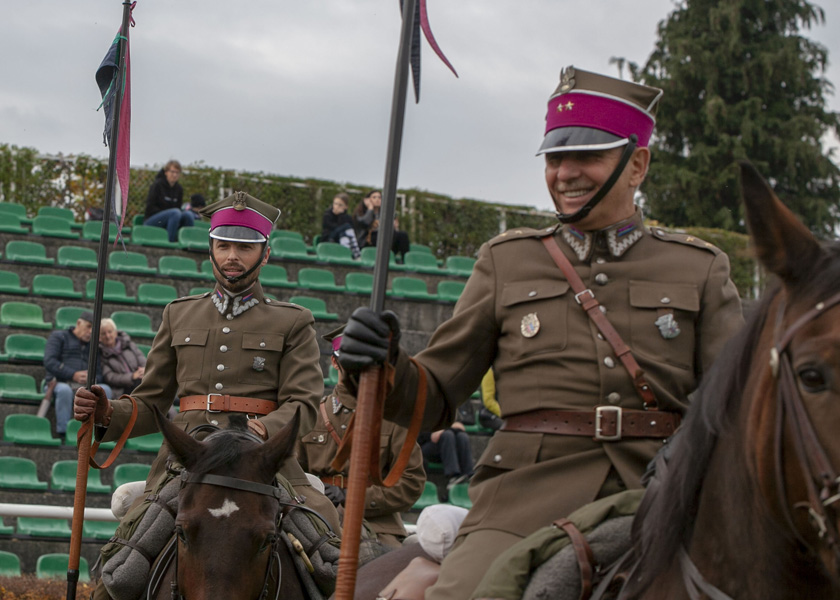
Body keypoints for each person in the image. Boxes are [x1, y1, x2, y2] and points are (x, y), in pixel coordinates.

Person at [337, 66, 745, 599]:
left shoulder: (699, 268)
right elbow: (435, 393)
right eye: (554, 158)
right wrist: (379, 363)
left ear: (636, 164)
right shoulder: (507, 260)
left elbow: (737, 407)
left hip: (659, 489)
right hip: (522, 498)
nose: (566, 173)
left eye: (588, 156)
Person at [75, 191, 342, 596]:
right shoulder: (178, 313)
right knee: (120, 571)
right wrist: (107, 412)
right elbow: (151, 401)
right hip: (188, 462)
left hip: (262, 464)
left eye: (245, 247)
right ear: (211, 250)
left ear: (265, 254)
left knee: (330, 562)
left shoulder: (293, 321)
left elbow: (303, 404)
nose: (233, 255)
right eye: (224, 246)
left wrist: (261, 432)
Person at [296, 325, 425, 549]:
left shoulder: (394, 418)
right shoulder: (312, 415)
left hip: (377, 525)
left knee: (383, 564)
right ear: (335, 362)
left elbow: (411, 482)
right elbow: (292, 475)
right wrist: (317, 497)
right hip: (318, 520)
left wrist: (353, 497)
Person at [43, 311, 112, 438]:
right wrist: (73, 374)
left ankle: (99, 433)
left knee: (105, 389)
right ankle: (63, 433)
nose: (91, 331)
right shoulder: (59, 336)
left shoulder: (93, 346)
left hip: (84, 385)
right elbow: (50, 362)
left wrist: (91, 379)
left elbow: (99, 374)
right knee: (64, 391)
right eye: (88, 326)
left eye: (94, 329)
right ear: (78, 323)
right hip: (59, 382)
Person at [417, 422, 475, 498]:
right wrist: (448, 428)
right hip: (424, 447)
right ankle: (453, 476)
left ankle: (469, 475)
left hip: (446, 446)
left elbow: (461, 427)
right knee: (448, 435)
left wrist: (444, 429)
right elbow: (433, 437)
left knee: (462, 436)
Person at [143, 159, 195, 242]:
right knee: (175, 213)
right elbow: (150, 208)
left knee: (188, 215)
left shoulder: (179, 189)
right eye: (172, 172)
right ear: (166, 172)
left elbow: (178, 208)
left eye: (177, 172)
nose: (175, 175)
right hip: (153, 219)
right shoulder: (157, 185)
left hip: (173, 217)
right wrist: (168, 214)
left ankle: (187, 242)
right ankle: (170, 242)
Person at [353, 190, 411, 262]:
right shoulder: (361, 213)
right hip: (368, 241)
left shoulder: (384, 214)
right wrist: (370, 209)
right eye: (374, 197)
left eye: (379, 197)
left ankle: (405, 260)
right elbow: (365, 222)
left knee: (402, 235)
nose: (377, 199)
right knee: (381, 234)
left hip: (384, 240)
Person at [98, 317, 146, 397]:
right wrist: (132, 377)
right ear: (99, 337)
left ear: (115, 332)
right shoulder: (100, 353)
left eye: (110, 332)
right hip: (122, 389)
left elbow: (141, 358)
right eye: (103, 333)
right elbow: (110, 377)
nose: (107, 336)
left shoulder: (128, 344)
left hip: (140, 379)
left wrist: (144, 370)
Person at [321, 192, 361, 258]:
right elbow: (333, 227)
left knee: (344, 232)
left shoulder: (347, 217)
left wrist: (341, 215)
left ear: (346, 207)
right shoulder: (327, 215)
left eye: (340, 205)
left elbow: (352, 229)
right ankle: (355, 252)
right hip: (329, 237)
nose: (337, 206)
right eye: (335, 204)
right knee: (346, 227)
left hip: (342, 238)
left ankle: (347, 250)